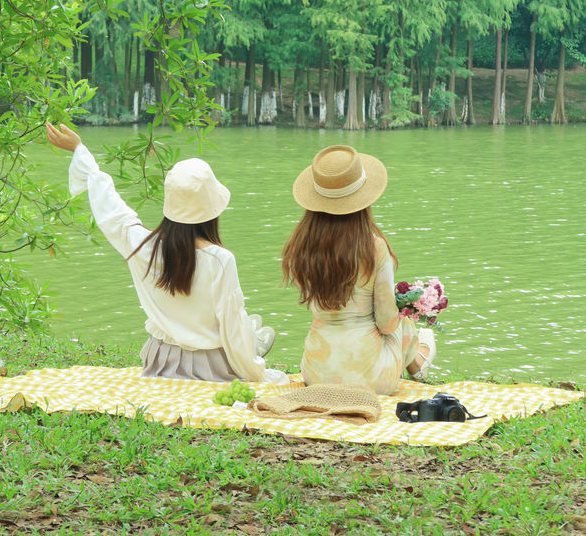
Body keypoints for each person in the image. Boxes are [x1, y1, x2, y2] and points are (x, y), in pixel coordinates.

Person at [45, 122, 287, 384]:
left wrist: (80, 149)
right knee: (240, 327)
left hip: (161, 361)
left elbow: (110, 207)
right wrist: (255, 371)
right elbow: (231, 327)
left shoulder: (141, 244)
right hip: (210, 366)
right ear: (212, 212)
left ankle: (252, 338)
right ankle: (254, 343)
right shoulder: (220, 260)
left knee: (238, 323)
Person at [282, 145, 436, 395]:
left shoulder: (301, 248)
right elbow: (387, 323)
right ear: (363, 200)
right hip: (370, 379)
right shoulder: (374, 248)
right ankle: (419, 363)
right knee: (404, 321)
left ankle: (419, 360)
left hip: (316, 373)